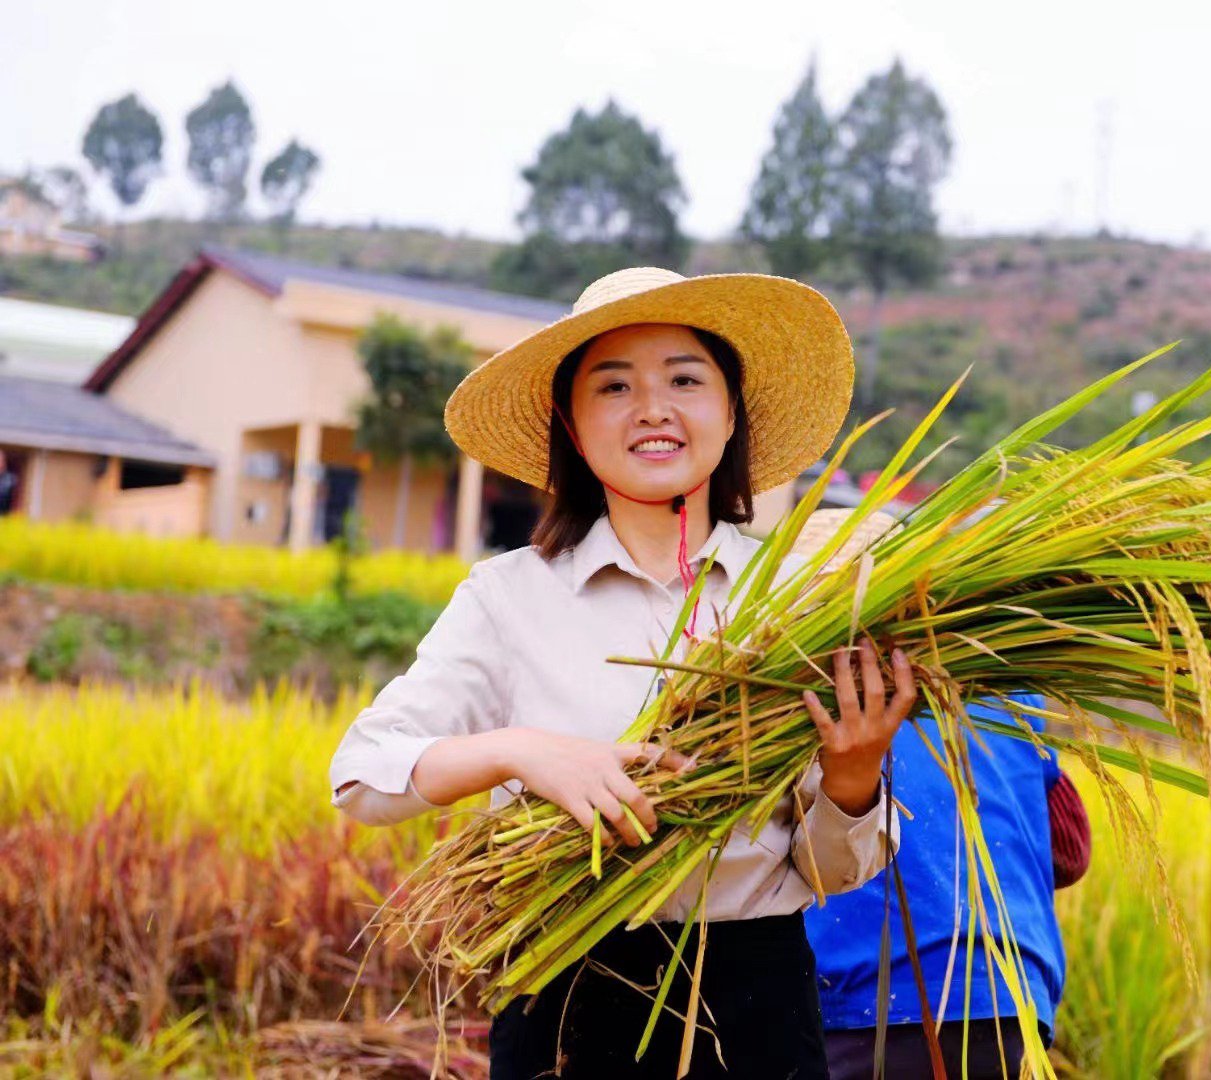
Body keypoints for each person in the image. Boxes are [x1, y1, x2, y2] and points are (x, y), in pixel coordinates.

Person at [328, 267, 917, 1079]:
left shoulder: (797, 599)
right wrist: (523, 753)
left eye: (684, 379)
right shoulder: (508, 597)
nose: (653, 408)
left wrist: (852, 779)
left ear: (730, 410)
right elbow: (362, 776)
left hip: (756, 1003)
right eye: (614, 387)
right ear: (572, 428)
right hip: (564, 994)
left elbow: (824, 874)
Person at [793, 509, 1091, 1079]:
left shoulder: (803, 699)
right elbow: (1070, 852)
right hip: (1010, 991)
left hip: (873, 997)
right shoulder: (1006, 682)